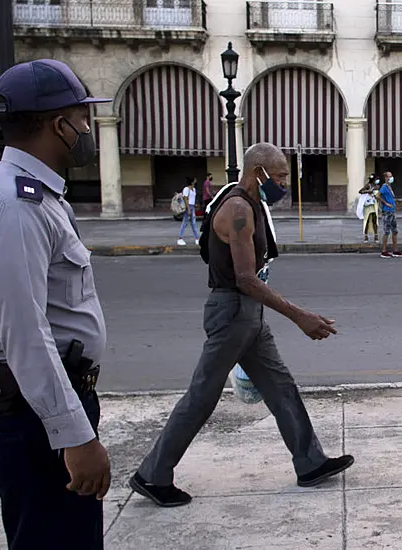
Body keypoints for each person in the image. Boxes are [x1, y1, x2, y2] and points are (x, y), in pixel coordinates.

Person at [129, 142, 354, 508]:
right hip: (233, 312)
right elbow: (246, 278)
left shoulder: (247, 203)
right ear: (258, 172)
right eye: (279, 176)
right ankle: (152, 475)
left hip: (246, 314)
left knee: (280, 387)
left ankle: (310, 462)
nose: (284, 183)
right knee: (202, 396)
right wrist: (300, 316)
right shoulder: (237, 209)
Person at [0, 59, 112, 549]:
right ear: (56, 124)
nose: (88, 129)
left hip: (43, 405)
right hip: (31, 417)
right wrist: (75, 436)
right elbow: (24, 334)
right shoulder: (11, 206)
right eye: (81, 117)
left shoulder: (40, 197)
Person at [378, 172, 402, 258]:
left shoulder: (389, 187)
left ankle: (395, 250)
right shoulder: (384, 187)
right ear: (386, 178)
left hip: (392, 211)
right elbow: (377, 196)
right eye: (389, 176)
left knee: (395, 231)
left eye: (391, 176)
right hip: (387, 211)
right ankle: (384, 251)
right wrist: (386, 203)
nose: (391, 178)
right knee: (386, 231)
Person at [178, 177, 200, 246]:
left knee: (193, 223)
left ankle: (197, 238)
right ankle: (180, 238)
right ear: (192, 182)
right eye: (195, 180)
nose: (196, 181)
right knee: (184, 223)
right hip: (188, 207)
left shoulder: (194, 189)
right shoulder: (186, 189)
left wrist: (194, 205)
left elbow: (192, 198)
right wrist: (188, 209)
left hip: (192, 206)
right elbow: (185, 199)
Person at [358, 173, 379, 242]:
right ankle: (365, 236)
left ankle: (376, 235)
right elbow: (360, 191)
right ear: (373, 180)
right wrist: (367, 191)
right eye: (376, 179)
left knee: (374, 220)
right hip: (367, 206)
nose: (377, 180)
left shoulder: (377, 186)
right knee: (366, 220)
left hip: (374, 205)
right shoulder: (368, 185)